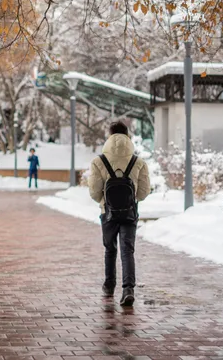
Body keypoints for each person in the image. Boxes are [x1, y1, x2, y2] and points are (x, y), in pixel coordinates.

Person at [88, 121, 150, 307]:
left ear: (109, 136)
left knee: (110, 249)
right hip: (130, 212)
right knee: (127, 250)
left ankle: (109, 285)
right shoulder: (138, 162)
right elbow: (143, 193)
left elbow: (94, 192)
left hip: (107, 212)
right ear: (127, 136)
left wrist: (105, 200)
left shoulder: (99, 162)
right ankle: (128, 289)